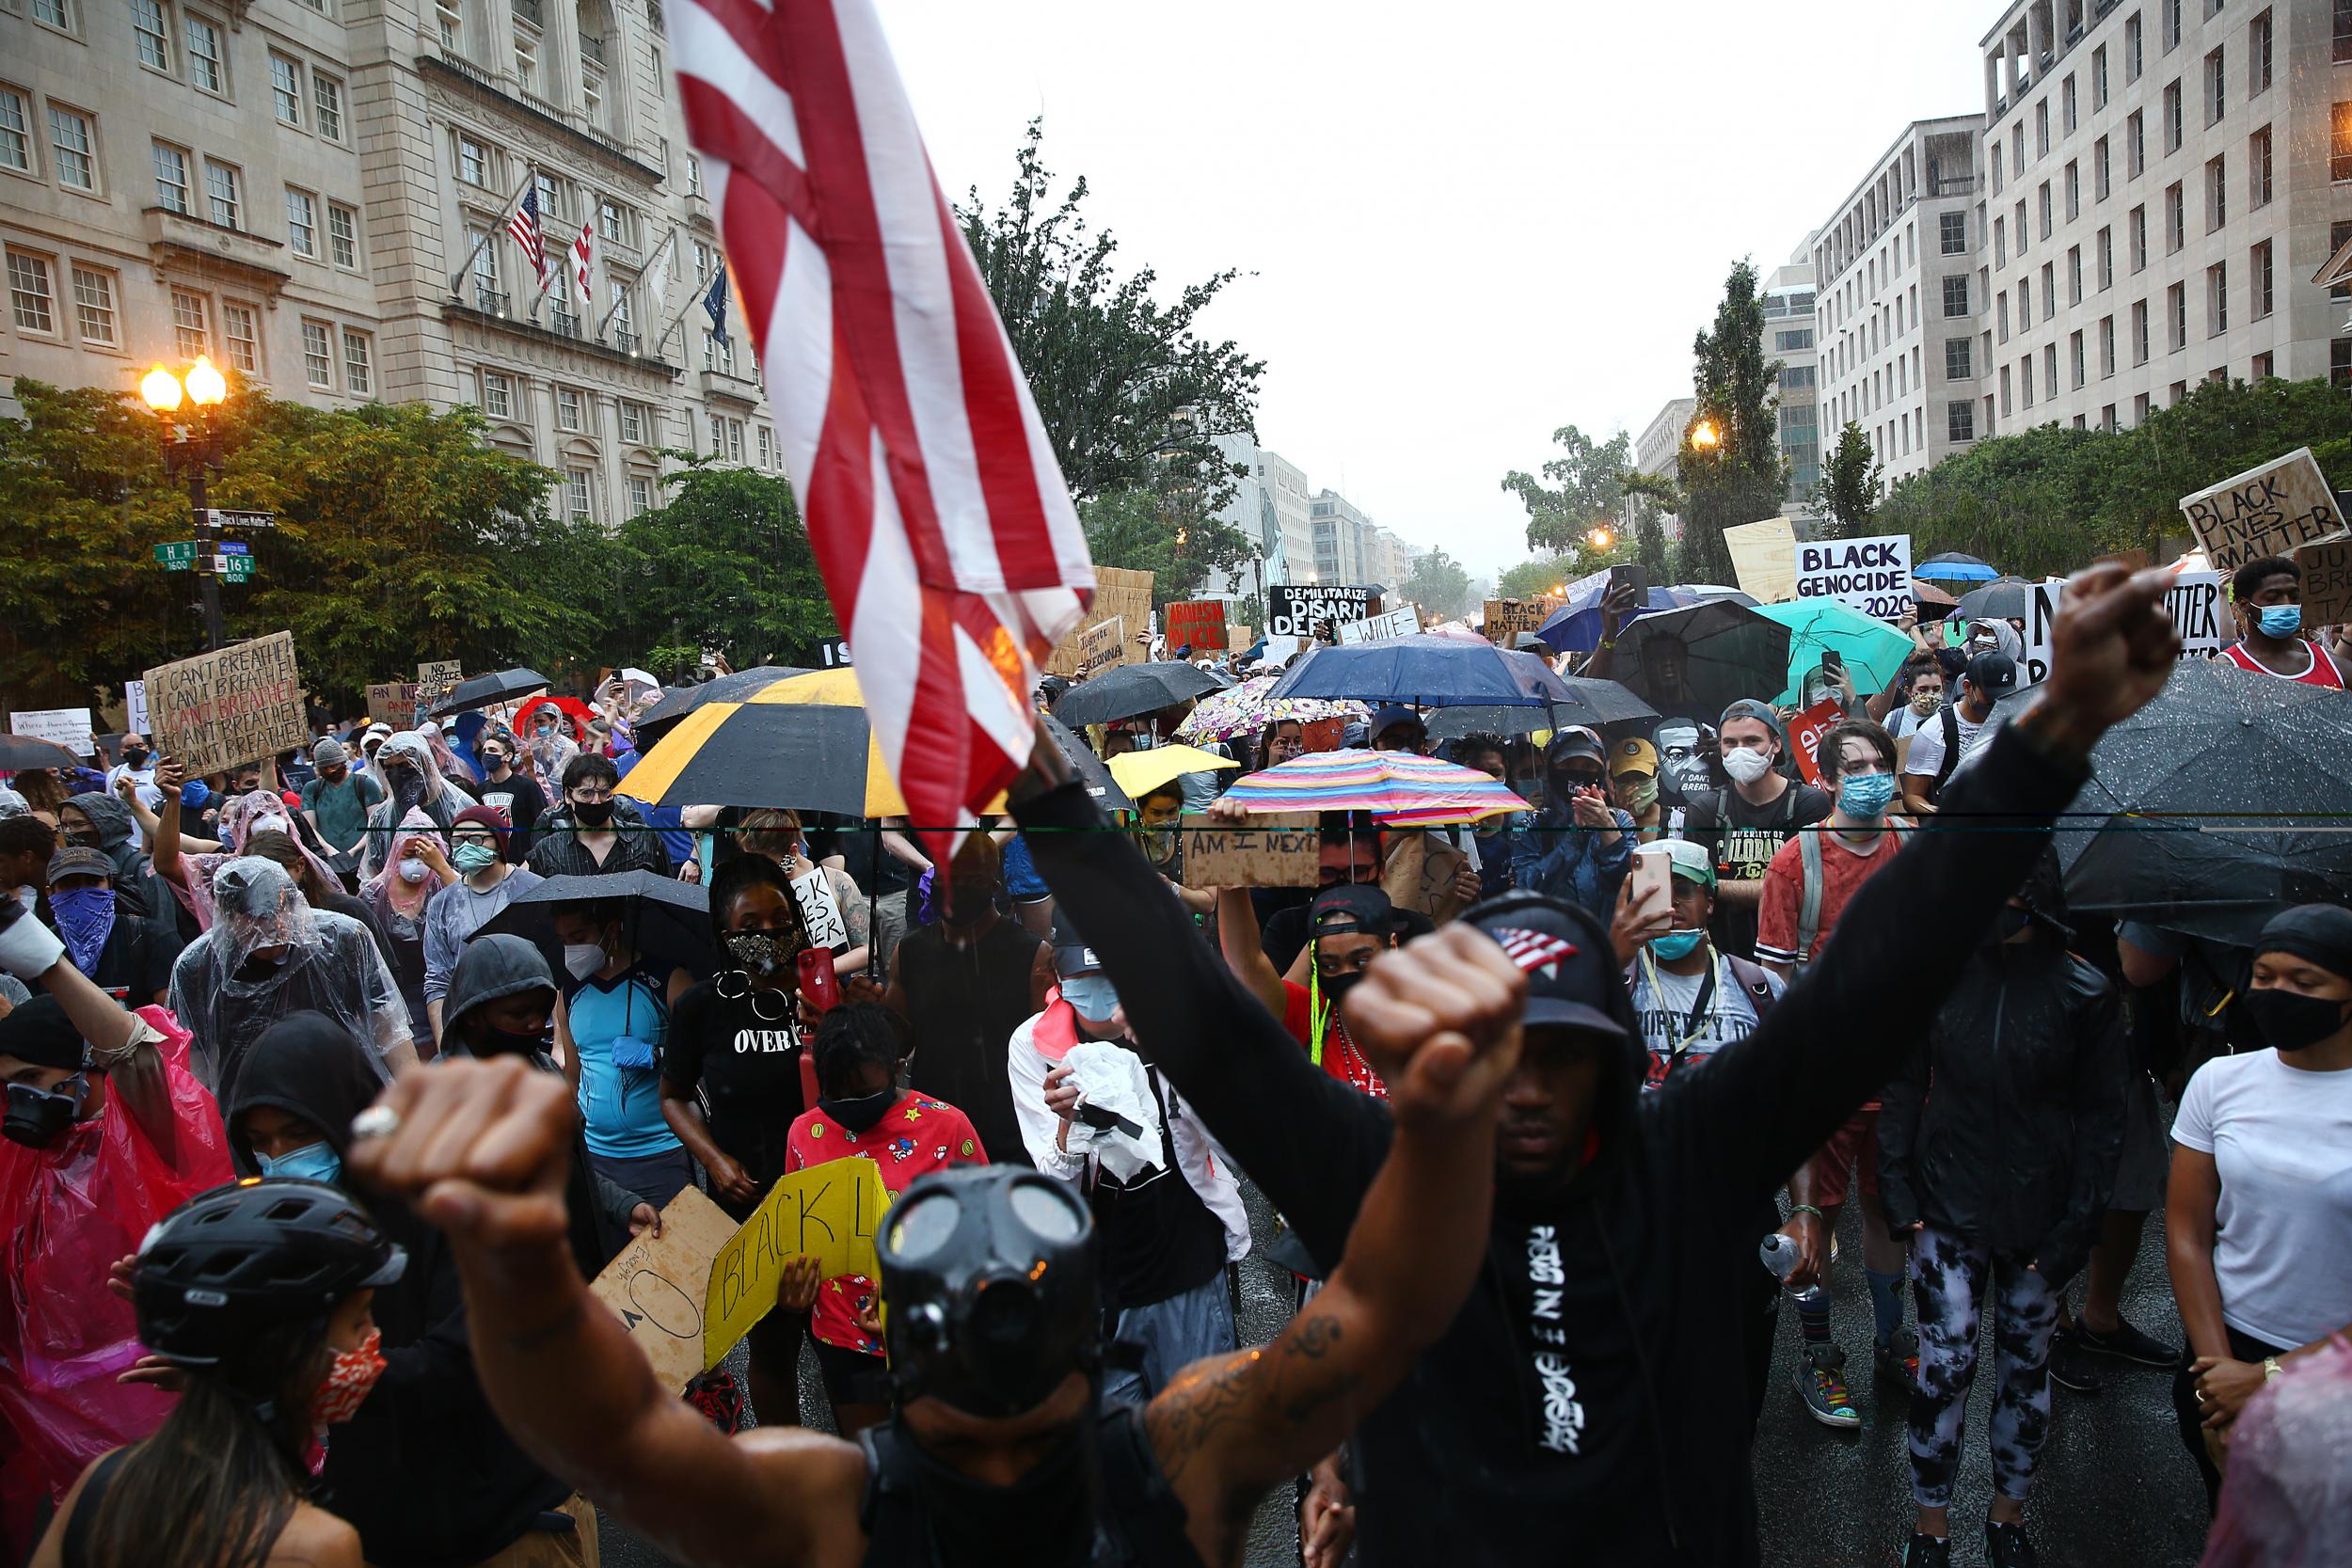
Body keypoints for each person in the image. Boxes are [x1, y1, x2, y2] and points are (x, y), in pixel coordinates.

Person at [1011, 561, 2184, 1566]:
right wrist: (1035, 780)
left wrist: (2052, 731)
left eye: (1560, 1058)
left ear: (1616, 1057)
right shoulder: (1384, 1173)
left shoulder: (1688, 1151)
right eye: (1500, 1053)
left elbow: (1876, 975)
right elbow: (1208, 1031)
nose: (1526, 1088)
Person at [344, 899, 1524, 1568]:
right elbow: (1385, 1311)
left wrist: (511, 1254)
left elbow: (612, 1437)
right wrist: (1443, 1121)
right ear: (1078, 1333)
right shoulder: (1182, 1448)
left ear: (906, 1343)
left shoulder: (825, 1501)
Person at [220, 1013, 607, 1565]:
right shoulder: (301, 1228)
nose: (280, 1158)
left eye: (300, 1133)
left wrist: (320, 1378)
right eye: (261, 1143)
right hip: (396, 1530)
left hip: (508, 1527)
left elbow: (467, 1362)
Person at [1878, 854, 2127, 1568]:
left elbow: (2106, 1118)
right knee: (1944, 1367)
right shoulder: (1936, 979)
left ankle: (2006, 1517)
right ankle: (1930, 1526)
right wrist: (1898, 1192)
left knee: (2027, 1370)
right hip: (1945, 1209)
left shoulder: (2086, 990)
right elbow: (1901, 1085)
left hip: (2040, 1219)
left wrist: (2077, 1229)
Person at [0, 901, 234, 1559]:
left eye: (31, 1082)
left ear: (87, 1072)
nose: (16, 1103)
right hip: (55, 1424)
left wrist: (48, 965)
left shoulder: (148, 1136)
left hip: (157, 1407)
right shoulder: (27, 1157)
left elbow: (137, 1055)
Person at [29, 1178, 397, 1568]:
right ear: (286, 1352)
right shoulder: (316, 1547)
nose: (373, 1336)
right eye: (358, 1321)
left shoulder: (101, 1483)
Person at [1607, 839, 1801, 1429]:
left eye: (1683, 893)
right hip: (1634, 1209)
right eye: (1654, 895)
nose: (1670, 907)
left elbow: (1792, 1107)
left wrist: (1808, 1210)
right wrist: (1615, 945)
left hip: (1734, 1211)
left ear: (1710, 903)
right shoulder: (1609, 985)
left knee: (1736, 1372)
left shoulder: (1759, 989)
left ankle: (1723, 1493)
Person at [2166, 904, 2352, 1511]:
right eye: (2265, 976)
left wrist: (2271, 1380)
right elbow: (2188, 1230)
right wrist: (2218, 1380)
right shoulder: (2219, 1082)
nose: (2276, 993)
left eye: (2305, 982)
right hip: (2223, 1357)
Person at [1757, 718, 1915, 1426]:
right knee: (1810, 1214)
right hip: (1825, 1080)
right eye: (1853, 765)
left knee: (1889, 1210)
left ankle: (1891, 1339)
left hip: (1903, 1074)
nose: (1870, 774)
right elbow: (1773, 989)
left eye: (1879, 761)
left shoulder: (1912, 850)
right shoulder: (1795, 864)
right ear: (1825, 780)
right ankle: (1818, 1359)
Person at [1012, 937, 1243, 1405]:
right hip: (1095, 1286)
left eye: (1111, 980)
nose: (1099, 999)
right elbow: (1055, 1187)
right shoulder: (1032, 1046)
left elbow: (1239, 1146)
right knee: (1117, 1456)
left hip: (1184, 1264)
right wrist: (1068, 1125)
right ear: (1058, 980)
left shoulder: (1174, 1025)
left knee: (1201, 1434)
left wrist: (1177, 1053)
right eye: (1083, 981)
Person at [660, 854, 820, 1423]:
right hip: (749, 1207)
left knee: (849, 1341)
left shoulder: (823, 992)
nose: (768, 935)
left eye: (779, 919)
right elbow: (673, 1096)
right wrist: (714, 1160)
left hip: (828, 1200)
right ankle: (786, 1472)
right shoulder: (701, 1006)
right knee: (774, 1348)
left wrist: (841, 1025)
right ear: (725, 933)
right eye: (749, 926)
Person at [784, 1003, 988, 1435]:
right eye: (838, 1097)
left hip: (933, 1331)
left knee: (942, 1460)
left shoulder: (948, 1127)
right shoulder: (805, 1133)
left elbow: (986, 1233)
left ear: (895, 1069)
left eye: (865, 1093)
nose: (852, 1107)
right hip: (842, 1335)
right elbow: (796, 1234)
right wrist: (795, 1293)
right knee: (873, 1466)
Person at [442, 936, 660, 1262]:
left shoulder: (542, 1071)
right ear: (473, 1014)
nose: (534, 1024)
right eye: (518, 1014)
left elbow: (571, 1170)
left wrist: (621, 1205)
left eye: (541, 1011)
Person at [167, 858, 413, 1094]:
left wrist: (414, 1096)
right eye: (253, 923)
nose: (269, 931)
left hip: (342, 1091)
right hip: (250, 1106)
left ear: (292, 905)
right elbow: (194, 1060)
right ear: (227, 918)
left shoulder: (341, 941)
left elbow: (388, 1028)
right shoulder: (199, 967)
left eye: (276, 916)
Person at [884, 833, 1054, 1170]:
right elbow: (895, 1039)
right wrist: (868, 1008)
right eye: (947, 877)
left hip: (1011, 1133)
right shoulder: (910, 951)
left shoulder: (1032, 954)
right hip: (935, 1129)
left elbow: (1045, 1048)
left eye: (970, 879)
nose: (955, 887)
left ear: (993, 885)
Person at [549, 896, 694, 1209]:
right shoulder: (570, 993)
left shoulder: (668, 981)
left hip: (663, 1152)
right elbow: (572, 1076)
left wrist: (656, 1054)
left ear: (612, 930)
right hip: (597, 1158)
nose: (571, 950)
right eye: (563, 941)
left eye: (579, 938)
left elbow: (706, 1055)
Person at [1677, 699, 1832, 961]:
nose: (1740, 752)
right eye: (1730, 743)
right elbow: (1695, 893)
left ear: (1776, 744)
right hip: (1728, 961)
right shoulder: (1704, 810)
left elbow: (1808, 891)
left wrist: (1715, 886)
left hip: (1796, 958)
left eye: (1751, 741)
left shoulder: (1809, 804)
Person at [1220, 880, 1402, 1100]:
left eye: (1361, 961)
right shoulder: (1311, 1018)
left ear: (1392, 946)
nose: (1347, 973)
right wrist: (1229, 879)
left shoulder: (1431, 1016)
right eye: (1330, 965)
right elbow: (1246, 963)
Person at [421, 804, 543, 1045]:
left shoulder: (534, 890)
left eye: (477, 839)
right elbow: (437, 979)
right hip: (472, 1029)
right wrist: (445, 1042)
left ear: (498, 842)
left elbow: (557, 968)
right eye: (458, 841)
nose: (466, 847)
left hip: (532, 1027)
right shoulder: (441, 904)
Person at [1508, 730, 1635, 919]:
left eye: (1588, 766)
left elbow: (1635, 890)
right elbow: (1526, 891)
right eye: (1567, 765)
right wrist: (1575, 839)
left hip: (1609, 943)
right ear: (1551, 771)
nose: (1577, 773)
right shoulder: (1532, 826)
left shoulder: (1620, 821)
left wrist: (1608, 831)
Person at [736, 809, 872, 976]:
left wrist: (816, 970)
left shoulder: (838, 882)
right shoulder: (756, 892)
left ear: (792, 852)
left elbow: (867, 950)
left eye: (765, 865)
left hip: (831, 990)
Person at [356, 808, 443, 1063]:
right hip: (395, 993)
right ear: (395, 855)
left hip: (440, 988)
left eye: (423, 855)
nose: (416, 863)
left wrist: (443, 869)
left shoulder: (443, 887)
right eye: (408, 855)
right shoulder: (374, 896)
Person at [42, 845, 180, 1006]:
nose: (82, 893)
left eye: (93, 882)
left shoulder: (153, 939)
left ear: (110, 884)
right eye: (70, 884)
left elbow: (172, 1018)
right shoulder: (42, 951)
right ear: (50, 892)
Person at [1902, 650, 2017, 816]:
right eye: (1990, 698)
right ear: (1968, 688)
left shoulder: (2013, 722)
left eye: (2004, 697)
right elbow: (1912, 797)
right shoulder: (1936, 731)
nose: (1996, 704)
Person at [528, 754, 673, 879]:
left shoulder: (645, 840)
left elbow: (667, 895)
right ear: (568, 795)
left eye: (604, 793)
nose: (596, 801)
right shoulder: (548, 851)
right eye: (586, 794)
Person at [2217, 554, 2347, 688]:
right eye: (2272, 597)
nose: (2287, 604)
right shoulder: (2227, 669)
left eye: (2294, 596)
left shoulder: (2333, 665)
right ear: (2244, 605)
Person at [358, 733, 463, 881]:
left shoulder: (455, 807)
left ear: (424, 764)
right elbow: (373, 870)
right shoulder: (380, 817)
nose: (396, 774)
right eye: (388, 767)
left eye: (404, 765)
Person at [298, 738, 384, 889]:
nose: (331, 771)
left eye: (334, 766)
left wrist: (354, 850)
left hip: (365, 862)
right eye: (326, 768)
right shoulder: (312, 789)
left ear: (343, 763)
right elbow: (309, 827)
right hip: (330, 864)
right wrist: (328, 849)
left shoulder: (364, 784)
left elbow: (376, 824)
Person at [470, 730, 548, 861]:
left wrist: (533, 857)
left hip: (523, 862)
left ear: (507, 756)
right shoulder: (480, 790)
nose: (487, 754)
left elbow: (543, 824)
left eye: (493, 750)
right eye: (484, 751)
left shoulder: (527, 787)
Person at [1609, 736, 1664, 843]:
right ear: (1612, 779)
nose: (1633, 787)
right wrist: (1618, 819)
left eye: (1641, 777)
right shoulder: (1601, 826)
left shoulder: (1677, 822)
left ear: (1656, 774)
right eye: (1624, 778)